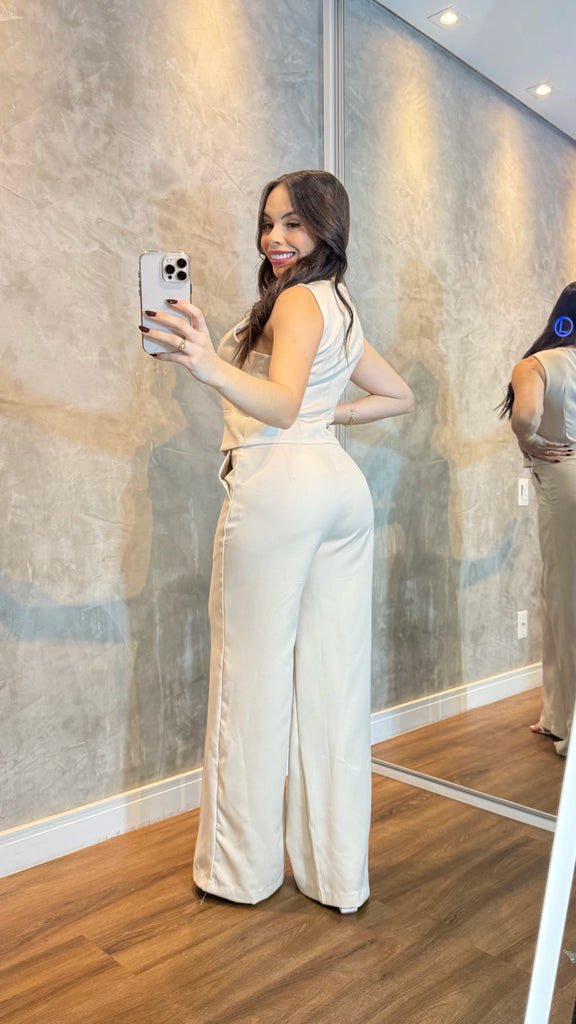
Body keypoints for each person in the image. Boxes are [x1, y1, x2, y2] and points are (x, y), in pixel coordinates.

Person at [139, 169, 414, 910]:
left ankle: (240, 872)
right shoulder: (338, 303)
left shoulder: (296, 301)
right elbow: (398, 395)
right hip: (339, 490)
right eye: (268, 222)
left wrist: (207, 365)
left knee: (250, 682)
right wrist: (332, 418)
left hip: (281, 490)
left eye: (293, 222)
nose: (275, 237)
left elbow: (285, 405)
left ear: (328, 226)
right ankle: (337, 877)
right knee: (333, 683)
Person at [500, 282, 576, 757]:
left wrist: (528, 440)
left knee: (565, 599)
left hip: (565, 481)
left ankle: (570, 728)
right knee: (558, 597)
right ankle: (556, 715)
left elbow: (524, 416)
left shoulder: (535, 365)